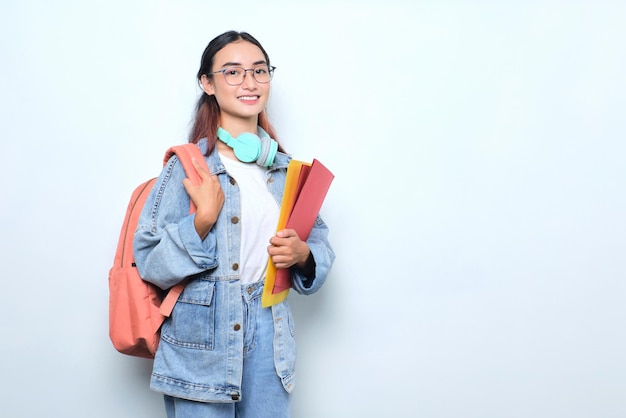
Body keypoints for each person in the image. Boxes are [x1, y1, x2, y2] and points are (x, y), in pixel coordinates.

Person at [133, 30, 335, 418]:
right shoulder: (187, 169)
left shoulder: (283, 170)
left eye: (259, 71)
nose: (249, 82)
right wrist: (202, 222)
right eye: (233, 72)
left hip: (270, 336)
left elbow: (319, 246)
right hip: (201, 345)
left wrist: (304, 255)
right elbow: (150, 264)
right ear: (207, 83)